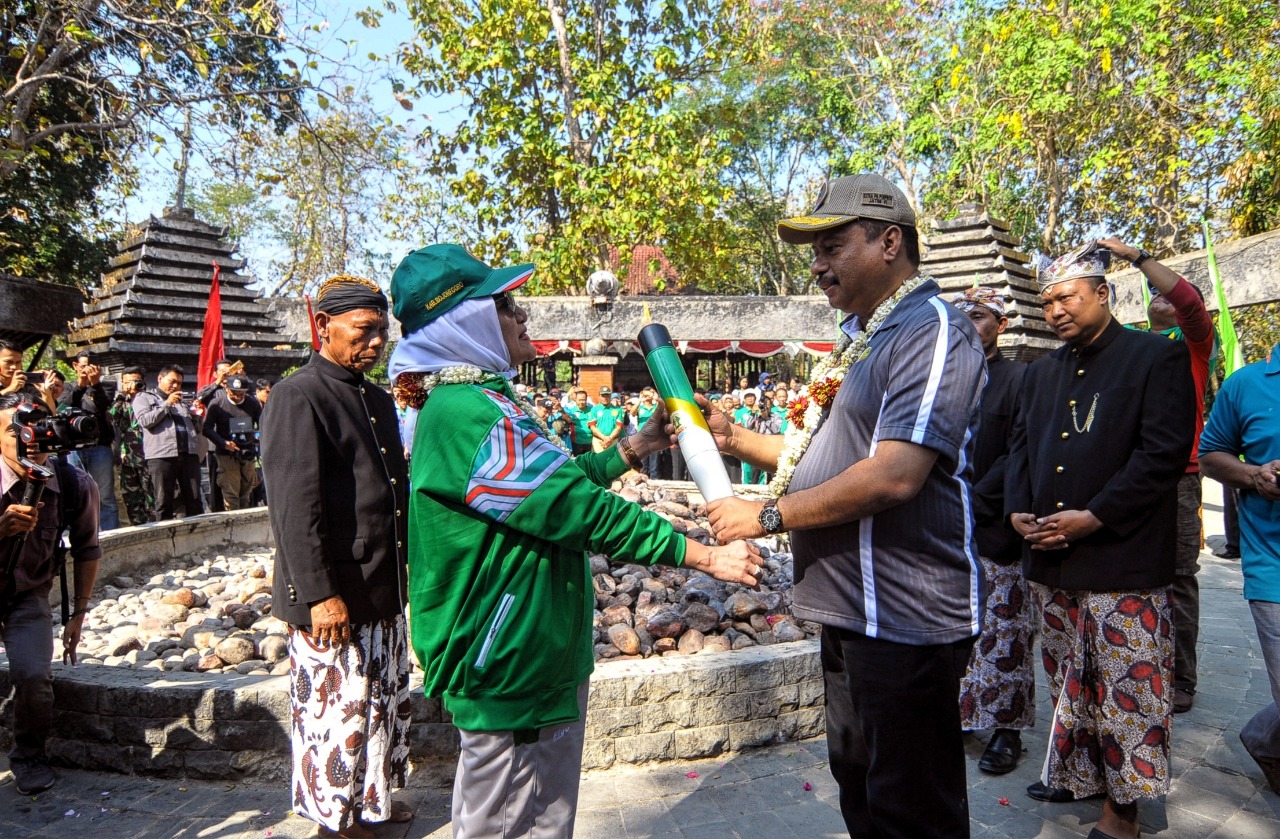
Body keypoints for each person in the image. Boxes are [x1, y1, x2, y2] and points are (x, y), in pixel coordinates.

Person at [386, 243, 760, 839]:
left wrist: (633, 450)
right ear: (470, 319)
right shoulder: (465, 413)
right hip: (506, 655)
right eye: (506, 304)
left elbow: (552, 490)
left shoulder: (485, 402)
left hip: (530, 651)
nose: (522, 315)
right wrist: (706, 554)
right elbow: (573, 510)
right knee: (506, 821)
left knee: (540, 816)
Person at [705, 173, 987, 837]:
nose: (817, 263)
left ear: (891, 242)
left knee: (912, 812)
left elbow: (892, 476)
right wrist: (732, 436)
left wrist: (767, 515)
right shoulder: (861, 340)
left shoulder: (933, 328)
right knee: (862, 795)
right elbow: (818, 454)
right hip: (851, 614)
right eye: (816, 249)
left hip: (906, 617)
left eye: (832, 245)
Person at [1006, 242, 1194, 839]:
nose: (1056, 309)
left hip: (1123, 560)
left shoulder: (1153, 359)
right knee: (1072, 686)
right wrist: (1018, 511)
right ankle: (1085, 780)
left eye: (1067, 296)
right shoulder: (1040, 375)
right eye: (1047, 301)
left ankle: (1124, 815)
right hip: (1052, 563)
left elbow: (1161, 456)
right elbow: (1021, 452)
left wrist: (1097, 516)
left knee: (1129, 691)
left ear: (1103, 292)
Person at [261, 274, 411, 838]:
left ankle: (371, 802)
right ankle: (335, 819)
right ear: (322, 327)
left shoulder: (373, 397)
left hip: (378, 585)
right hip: (335, 596)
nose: (375, 343)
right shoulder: (299, 394)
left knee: (379, 704)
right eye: (363, 331)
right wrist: (320, 595)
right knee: (337, 714)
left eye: (382, 332)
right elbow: (295, 509)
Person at [1103, 238, 1215, 713]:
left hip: (1180, 476)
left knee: (1178, 576)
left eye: (1167, 293)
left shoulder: (1191, 343)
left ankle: (1181, 675)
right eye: (1153, 292)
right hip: (1129, 475)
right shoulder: (1128, 345)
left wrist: (1138, 260)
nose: (1161, 297)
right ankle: (1134, 663)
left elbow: (1188, 301)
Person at [949, 287, 1034, 776]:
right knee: (958, 628)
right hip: (946, 528)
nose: (968, 322)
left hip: (996, 525)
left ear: (1001, 325)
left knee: (1005, 632)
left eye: (978, 315)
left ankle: (1007, 729)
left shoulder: (1022, 379)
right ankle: (963, 715)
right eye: (961, 315)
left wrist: (975, 500)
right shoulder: (946, 376)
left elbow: (1019, 452)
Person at [0, 390, 101, 794]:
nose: (30, 439)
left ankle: (29, 755)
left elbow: (87, 548)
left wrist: (78, 614)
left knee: (33, 676)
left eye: (38, 428)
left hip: (28, 595)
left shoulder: (74, 482)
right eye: (14, 429)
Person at [1198, 342, 1280, 794]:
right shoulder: (1247, 383)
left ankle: (1265, 738)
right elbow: (1211, 455)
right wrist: (1255, 475)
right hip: (1274, 567)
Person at [133, 365, 204, 521]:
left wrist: (196, 414)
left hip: (188, 454)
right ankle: (164, 539)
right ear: (160, 378)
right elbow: (145, 421)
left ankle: (198, 539)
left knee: (194, 499)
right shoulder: (144, 397)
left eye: (179, 383)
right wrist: (167, 404)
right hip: (162, 455)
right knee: (163, 500)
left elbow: (197, 429)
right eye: (172, 381)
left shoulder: (182, 402)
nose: (175, 386)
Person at [62, 354, 119, 531]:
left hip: (99, 446)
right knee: (75, 493)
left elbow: (99, 408)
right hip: (73, 448)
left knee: (105, 495)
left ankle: (111, 534)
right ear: (75, 366)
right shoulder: (67, 387)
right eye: (85, 366)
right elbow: (64, 407)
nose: (88, 370)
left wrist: (94, 385)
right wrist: (81, 385)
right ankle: (81, 533)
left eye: (93, 367)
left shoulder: (106, 386)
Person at [203, 375, 263, 511]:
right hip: (226, 453)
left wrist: (257, 435)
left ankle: (244, 521)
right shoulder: (217, 404)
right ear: (226, 389)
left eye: (241, 393)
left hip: (248, 452)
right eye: (233, 393)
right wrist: (223, 443)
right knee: (231, 492)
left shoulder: (252, 403)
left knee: (246, 491)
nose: (237, 396)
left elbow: (263, 424)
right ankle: (233, 521)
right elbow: (206, 428)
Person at [108, 367, 155, 525]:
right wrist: (122, 395)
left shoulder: (152, 399)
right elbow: (110, 418)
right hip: (128, 458)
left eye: (136, 381)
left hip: (150, 456)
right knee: (132, 499)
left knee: (152, 498)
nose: (132, 385)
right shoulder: (121, 402)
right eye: (128, 382)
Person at [590, 385, 626, 453]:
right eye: (603, 396)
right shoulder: (594, 409)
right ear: (599, 396)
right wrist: (604, 438)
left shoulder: (618, 410)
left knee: (611, 462)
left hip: (613, 441)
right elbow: (592, 427)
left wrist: (609, 439)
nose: (605, 398)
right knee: (598, 461)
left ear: (610, 396)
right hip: (598, 441)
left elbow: (618, 428)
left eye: (607, 395)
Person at [564, 387, 595, 456]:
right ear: (575, 400)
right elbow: (562, 408)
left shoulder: (592, 410)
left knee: (588, 462)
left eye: (583, 400)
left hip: (589, 442)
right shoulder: (571, 411)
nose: (581, 402)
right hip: (576, 442)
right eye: (579, 400)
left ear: (586, 400)